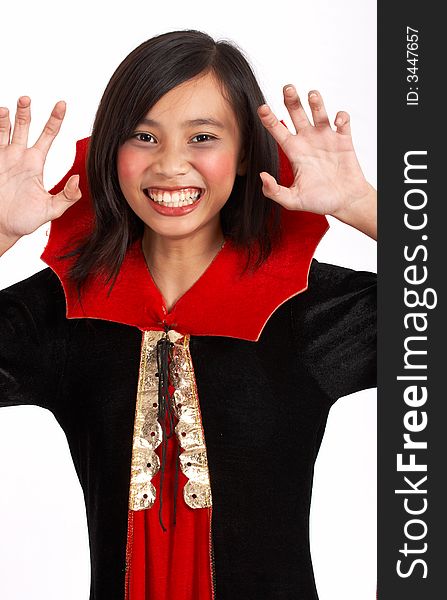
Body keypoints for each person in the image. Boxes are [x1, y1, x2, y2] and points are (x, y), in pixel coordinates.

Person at [0, 29, 376, 600]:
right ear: (110, 151)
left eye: (203, 136)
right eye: (143, 136)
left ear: (247, 149)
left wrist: (362, 204)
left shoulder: (306, 310)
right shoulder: (64, 314)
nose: (171, 165)